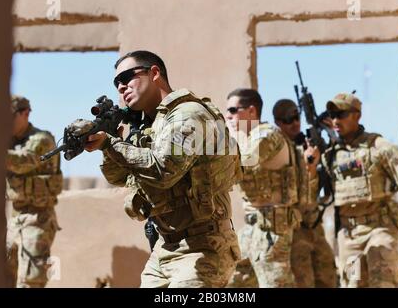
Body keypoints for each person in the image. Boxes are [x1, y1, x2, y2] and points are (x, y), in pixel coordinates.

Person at [81, 50, 241, 288]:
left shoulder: (189, 114)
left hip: (203, 247)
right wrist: (110, 143)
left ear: (154, 73)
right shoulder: (149, 126)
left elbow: (163, 171)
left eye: (126, 77)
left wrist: (110, 143)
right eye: (116, 83)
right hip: (164, 249)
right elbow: (117, 177)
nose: (121, 87)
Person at [322, 92, 398, 287]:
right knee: (353, 284)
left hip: (380, 228)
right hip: (349, 235)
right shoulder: (331, 155)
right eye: (332, 115)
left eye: (341, 114)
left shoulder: (379, 147)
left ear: (357, 116)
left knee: (383, 283)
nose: (335, 120)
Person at [225, 89, 301, 288]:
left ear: (251, 111)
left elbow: (247, 160)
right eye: (227, 112)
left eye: (233, 110)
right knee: (230, 282)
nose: (228, 116)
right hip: (251, 229)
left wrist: (232, 135)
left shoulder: (269, 135)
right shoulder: (246, 139)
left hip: (273, 229)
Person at [273, 99, 337, 288]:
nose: (295, 123)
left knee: (327, 278)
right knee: (303, 281)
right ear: (278, 123)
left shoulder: (308, 142)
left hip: (315, 225)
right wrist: (307, 165)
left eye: (296, 117)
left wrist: (332, 135)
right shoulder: (279, 151)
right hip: (295, 229)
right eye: (288, 120)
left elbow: (333, 169)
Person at [6, 95, 63, 288]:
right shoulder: (8, 141)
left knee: (30, 283)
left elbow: (23, 162)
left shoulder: (42, 140)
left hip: (38, 220)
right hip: (14, 219)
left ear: (25, 113)